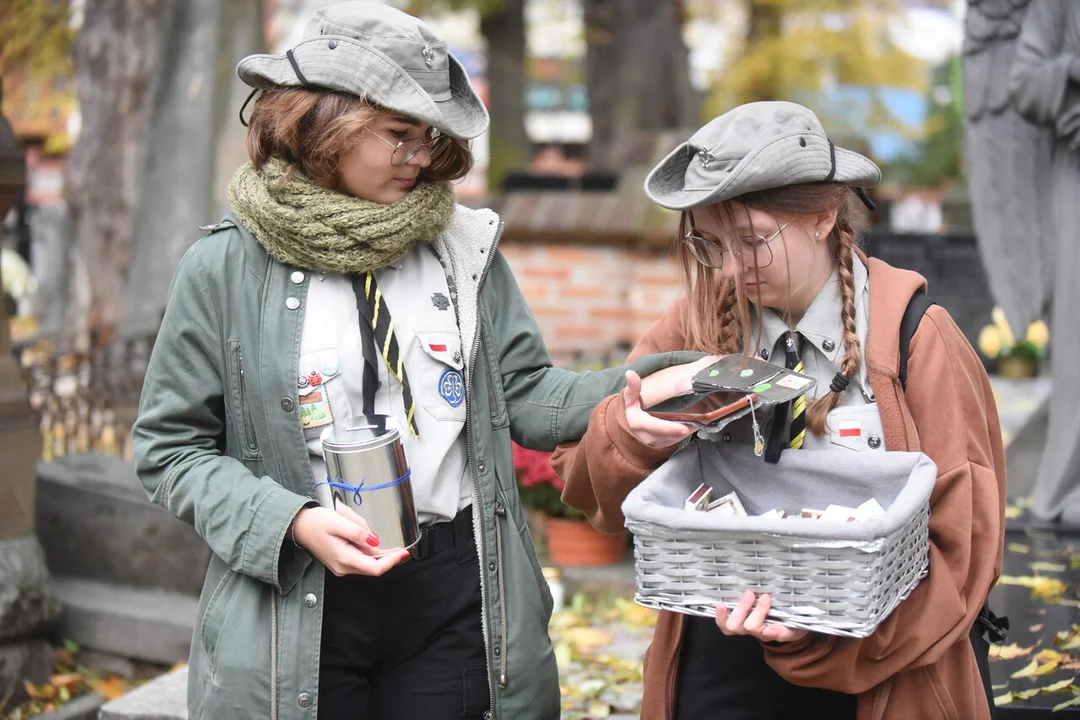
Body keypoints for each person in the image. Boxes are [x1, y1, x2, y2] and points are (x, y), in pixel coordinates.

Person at [130, 4, 698, 719]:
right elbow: (168, 449)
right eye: (398, 135)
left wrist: (640, 387)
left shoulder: (464, 249)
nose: (421, 158)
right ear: (321, 122)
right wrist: (291, 521)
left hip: (451, 594)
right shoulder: (224, 266)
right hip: (300, 597)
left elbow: (522, 392)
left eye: (428, 137)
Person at [551, 101, 1007, 720]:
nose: (731, 270)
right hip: (715, 659)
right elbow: (585, 489)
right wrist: (632, 440)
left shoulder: (916, 338)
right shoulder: (693, 324)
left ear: (822, 217)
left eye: (751, 241)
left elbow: (968, 543)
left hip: (878, 671)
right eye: (712, 245)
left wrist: (821, 642)